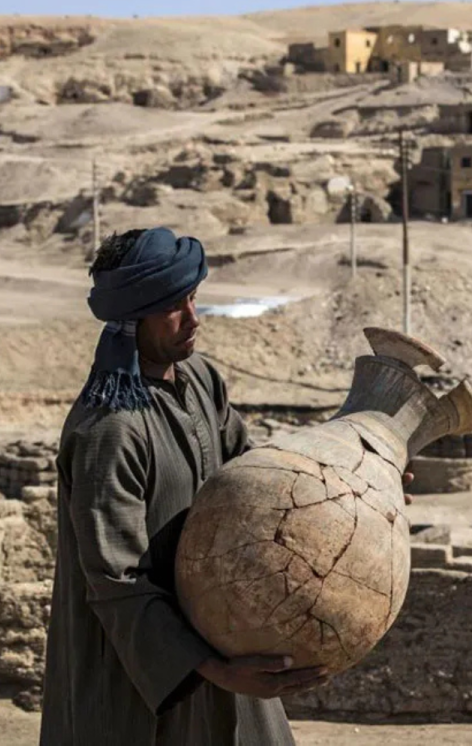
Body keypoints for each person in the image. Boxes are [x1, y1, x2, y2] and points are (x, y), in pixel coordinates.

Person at [40, 227, 328, 746]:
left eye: (193, 298)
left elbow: (257, 478)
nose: (193, 318)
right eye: (173, 306)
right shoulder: (110, 429)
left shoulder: (198, 380)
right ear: (132, 318)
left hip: (220, 631)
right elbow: (116, 579)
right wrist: (213, 669)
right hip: (142, 668)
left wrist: (352, 485)